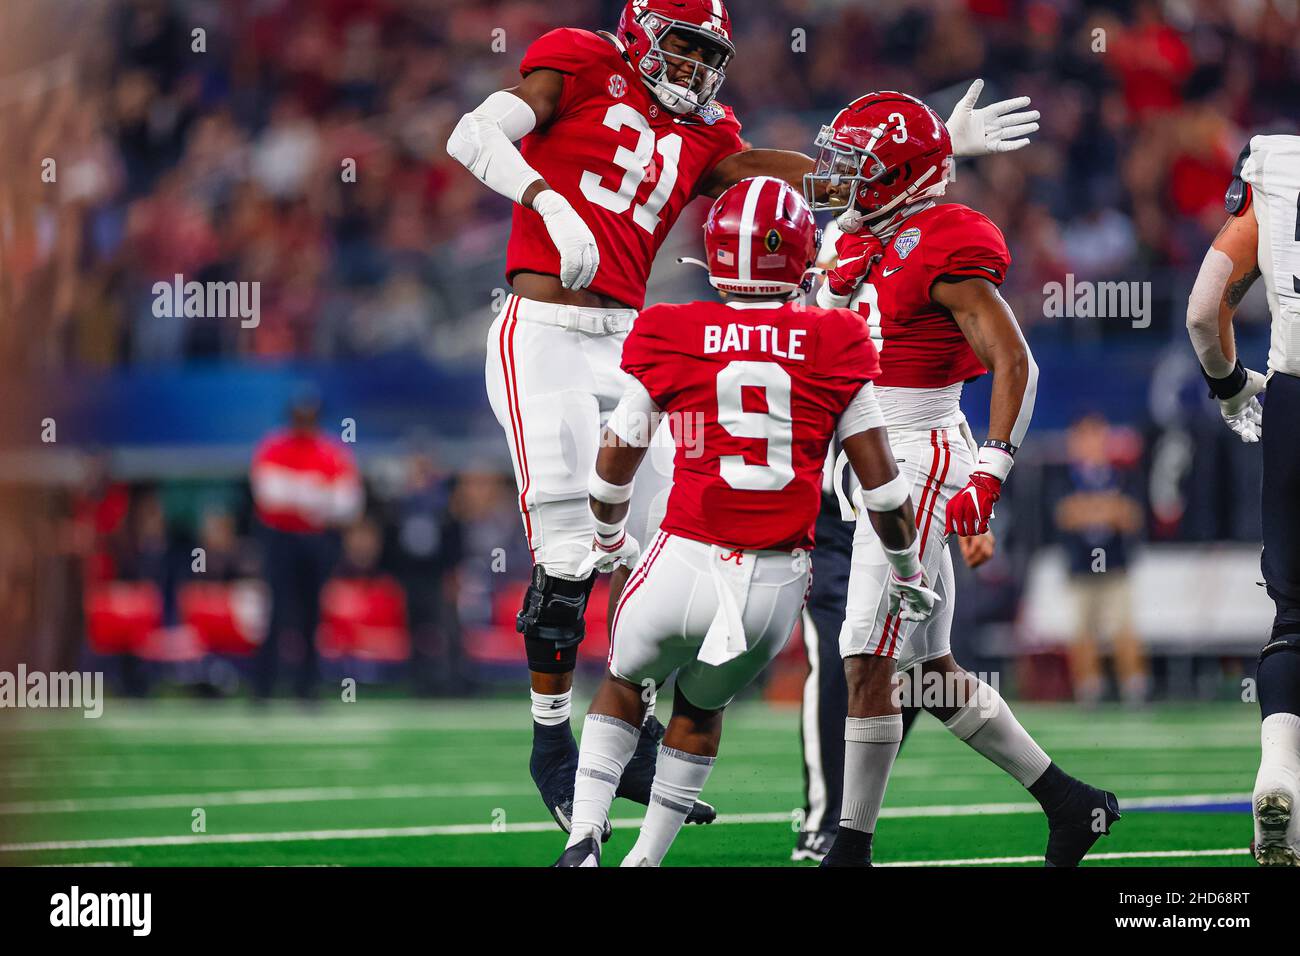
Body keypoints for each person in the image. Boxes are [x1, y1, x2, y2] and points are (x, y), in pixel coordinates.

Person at [446, 0, 1039, 833]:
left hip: (623, 331)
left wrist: (935, 143)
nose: (693, 66)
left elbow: (816, 179)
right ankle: (551, 743)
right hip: (540, 326)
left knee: (658, 549)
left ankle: (637, 729)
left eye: (706, 52)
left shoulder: (709, 132)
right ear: (644, 32)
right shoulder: (580, 61)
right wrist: (550, 204)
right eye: (681, 45)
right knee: (569, 541)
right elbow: (472, 135)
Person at [554, 176, 933, 867]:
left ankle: (584, 838)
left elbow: (616, 458)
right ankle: (645, 860)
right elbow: (883, 489)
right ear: (799, 255)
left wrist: (609, 536)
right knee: (700, 711)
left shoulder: (672, 327)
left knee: (625, 684)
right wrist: (908, 572)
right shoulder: (836, 336)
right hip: (771, 583)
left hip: (680, 558)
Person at [805, 91, 1119, 867]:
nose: (841, 181)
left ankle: (848, 847)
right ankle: (1071, 804)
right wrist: (938, 138)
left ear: (902, 181)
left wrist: (991, 470)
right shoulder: (859, 235)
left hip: (917, 453)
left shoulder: (943, 239)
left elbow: (1015, 360)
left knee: (864, 653)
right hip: (870, 457)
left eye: (860, 169)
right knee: (929, 670)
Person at [1184, 134, 1300, 866]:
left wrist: (1231, 388)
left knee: (1294, 620)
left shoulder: (1281, 165)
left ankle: (1279, 773)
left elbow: (1203, 312)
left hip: (1294, 398)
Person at [249, 390, 362, 701]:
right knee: (276, 612)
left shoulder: (332, 452)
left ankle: (307, 688)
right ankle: (264, 688)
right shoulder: (274, 448)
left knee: (312, 614)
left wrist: (299, 495)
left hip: (316, 542)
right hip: (281, 540)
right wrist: (316, 495)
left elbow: (348, 503)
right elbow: (269, 494)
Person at [1053, 412, 1147, 707]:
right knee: (1082, 632)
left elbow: (1131, 516)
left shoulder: (1122, 474)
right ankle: (1089, 690)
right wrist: (1107, 508)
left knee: (1123, 628)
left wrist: (1092, 510)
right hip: (1080, 568)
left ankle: (1134, 689)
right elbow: (1066, 515)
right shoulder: (1063, 477)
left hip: (1115, 565)